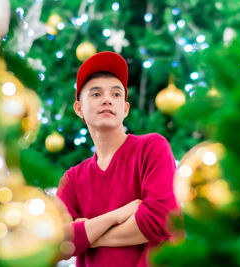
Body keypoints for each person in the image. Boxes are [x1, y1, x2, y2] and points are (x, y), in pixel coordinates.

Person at [56, 51, 179, 267]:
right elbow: (57, 241)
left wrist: (89, 236)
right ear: (78, 109)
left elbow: (160, 221)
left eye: (116, 94)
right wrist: (118, 215)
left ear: (125, 108)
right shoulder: (72, 180)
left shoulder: (152, 148)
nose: (107, 100)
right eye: (95, 94)